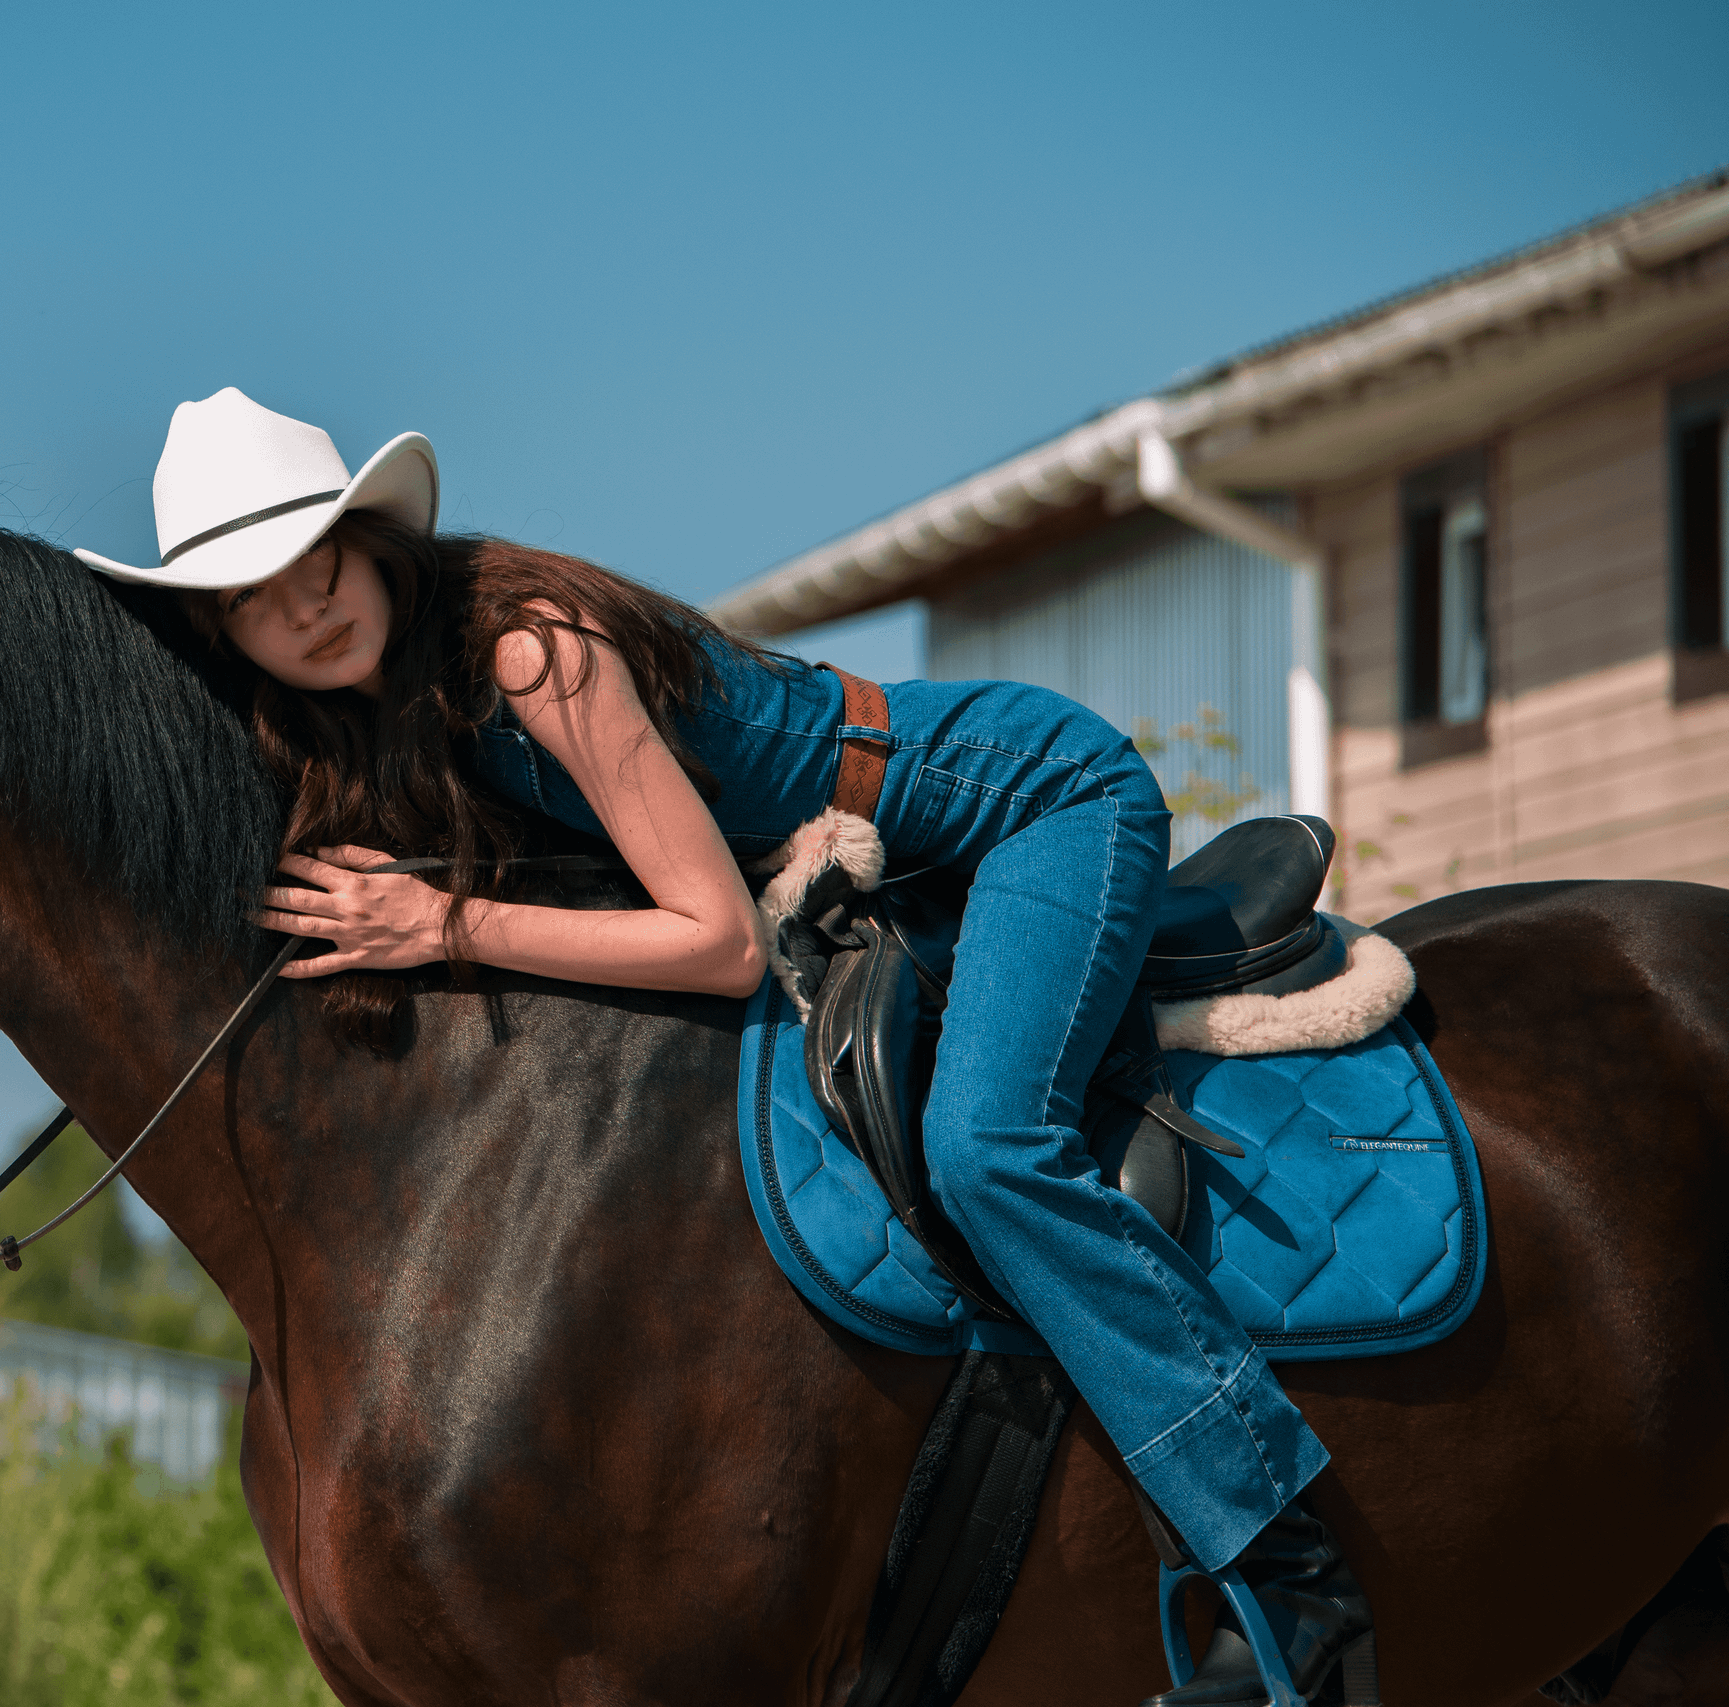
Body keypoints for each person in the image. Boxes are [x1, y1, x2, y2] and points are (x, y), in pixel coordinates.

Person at [76, 388, 1371, 1706]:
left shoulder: (528, 651)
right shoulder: (398, 717)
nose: (301, 606)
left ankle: (1290, 1569)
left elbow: (714, 941)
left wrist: (438, 919)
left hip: (1032, 800)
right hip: (892, 864)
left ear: (372, 541)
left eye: (315, 558)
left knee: (989, 1148)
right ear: (223, 629)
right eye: (252, 596)